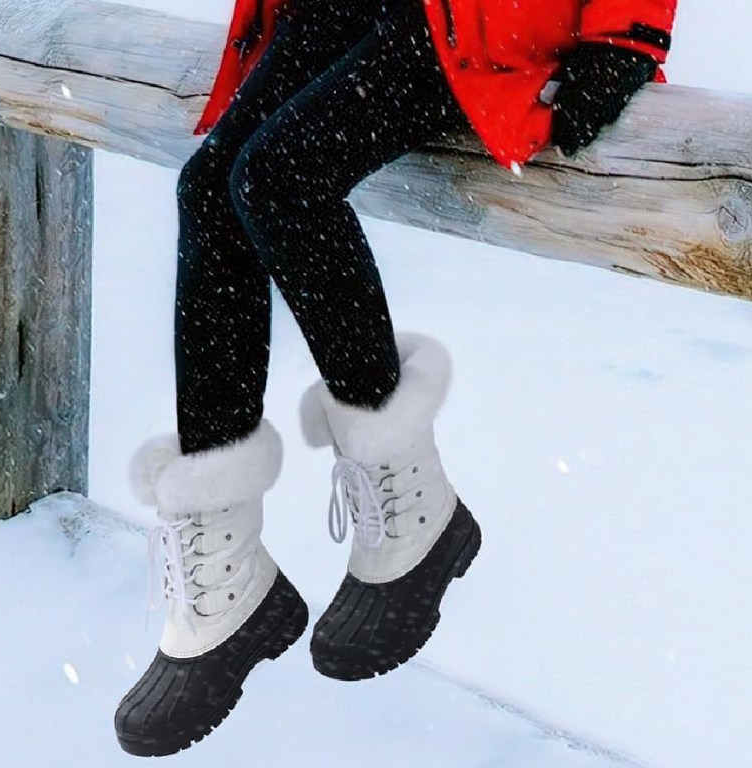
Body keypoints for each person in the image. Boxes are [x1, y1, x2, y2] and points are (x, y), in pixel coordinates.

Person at [114, 0, 677, 756]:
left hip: (483, 17)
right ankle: (225, 564)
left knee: (281, 181)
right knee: (214, 192)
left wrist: (627, 31)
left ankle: (416, 510)